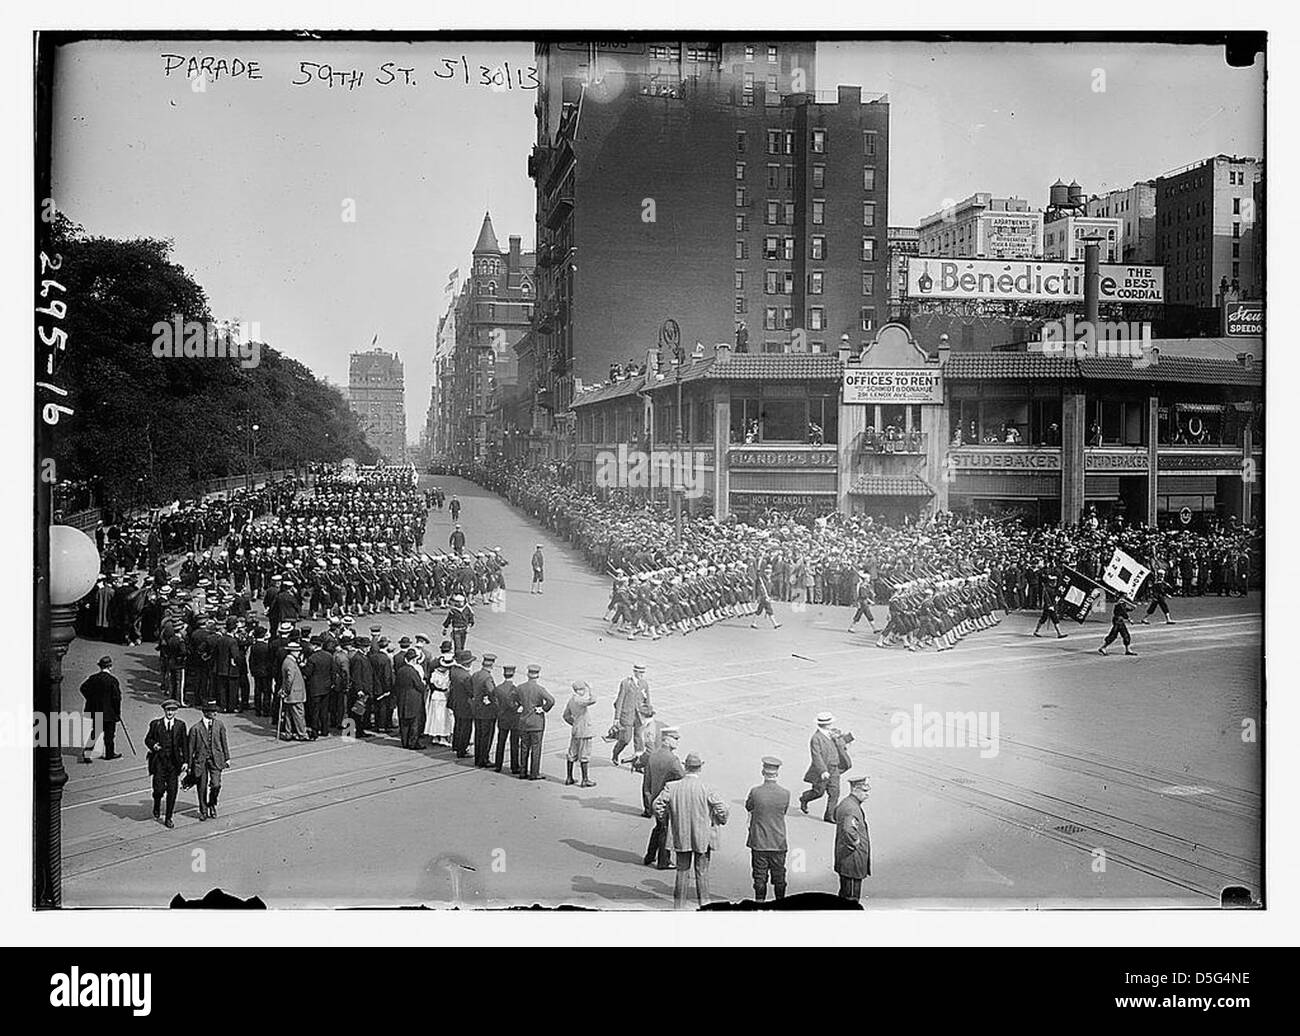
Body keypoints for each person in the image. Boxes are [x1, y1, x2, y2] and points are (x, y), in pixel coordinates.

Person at [652, 752, 729, 910]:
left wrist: (665, 817)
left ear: (685, 767)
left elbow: (657, 805)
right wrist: (720, 820)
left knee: (682, 871)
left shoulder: (672, 787)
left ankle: (679, 907)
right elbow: (722, 808)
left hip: (681, 835)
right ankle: (704, 905)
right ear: (700, 767)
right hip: (702, 837)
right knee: (702, 873)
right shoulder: (707, 788)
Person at [745, 756, 790, 902]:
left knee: (759, 876)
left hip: (759, 842)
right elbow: (783, 811)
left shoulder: (755, 791)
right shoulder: (785, 793)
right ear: (777, 773)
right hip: (778, 842)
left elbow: (749, 806)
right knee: (779, 877)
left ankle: (760, 904)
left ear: (763, 772)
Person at [641, 726, 685, 868]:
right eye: (675, 739)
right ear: (666, 740)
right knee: (665, 830)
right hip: (667, 799)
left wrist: (648, 799)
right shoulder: (672, 760)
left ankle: (650, 855)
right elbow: (683, 778)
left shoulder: (653, 755)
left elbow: (646, 780)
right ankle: (663, 860)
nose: (677, 742)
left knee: (659, 827)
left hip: (654, 797)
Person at [798, 712, 853, 823]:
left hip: (835, 768)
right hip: (823, 771)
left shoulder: (833, 734)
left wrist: (847, 739)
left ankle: (829, 815)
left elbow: (841, 743)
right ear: (823, 724)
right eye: (829, 723)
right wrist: (823, 771)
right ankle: (804, 798)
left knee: (835, 793)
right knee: (819, 792)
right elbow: (816, 756)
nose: (830, 725)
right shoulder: (816, 738)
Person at [144, 699, 189, 828]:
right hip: (159, 762)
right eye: (168, 710)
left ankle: (169, 817)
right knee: (158, 789)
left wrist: (185, 761)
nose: (170, 712)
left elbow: (184, 744)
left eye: (173, 710)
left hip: (174, 764)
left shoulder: (180, 725)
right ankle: (157, 802)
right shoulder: (156, 724)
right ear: (164, 711)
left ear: (176, 711)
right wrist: (153, 745)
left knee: (172, 791)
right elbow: (147, 739)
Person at [833, 770, 872, 903]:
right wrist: (856, 843)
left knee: (845, 893)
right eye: (865, 791)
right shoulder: (851, 808)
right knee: (851, 897)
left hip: (848, 859)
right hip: (852, 860)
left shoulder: (847, 803)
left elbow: (834, 815)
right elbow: (849, 829)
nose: (867, 795)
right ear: (855, 790)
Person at [188, 701, 231, 820]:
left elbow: (224, 742)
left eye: (215, 711)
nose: (215, 713)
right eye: (212, 711)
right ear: (205, 712)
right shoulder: (195, 729)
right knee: (201, 786)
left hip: (216, 759)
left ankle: (212, 803)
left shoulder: (220, 725)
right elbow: (190, 749)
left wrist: (227, 758)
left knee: (216, 784)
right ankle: (203, 810)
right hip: (201, 761)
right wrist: (189, 765)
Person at [79, 655, 123, 763]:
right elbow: (116, 698)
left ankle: (87, 753)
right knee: (109, 734)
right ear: (110, 667)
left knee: (95, 733)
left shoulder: (93, 678)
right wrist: (117, 712)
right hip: (109, 712)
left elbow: (83, 688)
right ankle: (109, 753)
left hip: (97, 711)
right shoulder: (113, 680)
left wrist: (91, 699)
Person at [515, 663, 554, 780]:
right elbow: (551, 700)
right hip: (536, 723)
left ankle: (522, 771)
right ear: (537, 675)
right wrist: (543, 708)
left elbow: (513, 699)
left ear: (528, 674)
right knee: (536, 749)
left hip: (523, 721)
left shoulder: (520, 688)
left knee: (524, 747)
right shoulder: (540, 689)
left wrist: (520, 705)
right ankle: (534, 773)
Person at [610, 662, 651, 765]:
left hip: (639, 716)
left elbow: (647, 700)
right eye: (640, 672)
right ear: (635, 672)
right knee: (625, 739)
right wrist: (617, 718)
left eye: (643, 672)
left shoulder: (644, 683)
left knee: (639, 740)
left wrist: (648, 714)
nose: (642, 674)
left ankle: (638, 763)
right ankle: (615, 753)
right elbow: (620, 700)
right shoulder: (626, 683)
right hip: (627, 715)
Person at [562, 680, 598, 787]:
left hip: (575, 730)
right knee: (584, 755)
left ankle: (569, 778)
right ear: (578, 690)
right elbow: (593, 700)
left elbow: (566, 716)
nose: (583, 691)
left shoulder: (571, 700)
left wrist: (574, 723)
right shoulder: (579, 700)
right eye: (582, 689)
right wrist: (591, 689)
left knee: (572, 753)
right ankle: (585, 779)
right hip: (585, 731)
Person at [394, 648, 427, 750]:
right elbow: (420, 686)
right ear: (413, 660)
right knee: (414, 722)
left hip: (402, 697)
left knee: (404, 721)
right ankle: (413, 743)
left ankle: (405, 741)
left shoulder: (400, 670)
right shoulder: (413, 671)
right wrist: (424, 685)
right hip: (413, 698)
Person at [470, 653, 499, 767]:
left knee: (478, 734)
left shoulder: (476, 674)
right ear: (491, 665)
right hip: (487, 711)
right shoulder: (487, 677)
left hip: (477, 709)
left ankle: (478, 758)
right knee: (486, 736)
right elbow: (492, 692)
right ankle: (484, 759)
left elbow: (470, 688)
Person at [492, 663, 521, 774]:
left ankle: (498, 765)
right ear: (513, 675)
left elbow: (495, 702)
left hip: (502, 719)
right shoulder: (515, 689)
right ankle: (514, 767)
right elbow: (516, 704)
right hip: (514, 720)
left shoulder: (498, 688)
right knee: (514, 744)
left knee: (501, 742)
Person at [447, 649, 476, 757]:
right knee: (466, 728)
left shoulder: (454, 671)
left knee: (458, 724)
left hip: (456, 702)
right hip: (465, 705)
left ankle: (456, 745)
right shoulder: (466, 676)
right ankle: (462, 750)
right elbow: (471, 692)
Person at [279, 642, 310, 741]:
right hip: (294, 693)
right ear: (292, 651)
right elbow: (290, 679)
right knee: (298, 714)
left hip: (292, 693)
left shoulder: (289, 661)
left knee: (289, 714)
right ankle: (302, 733)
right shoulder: (290, 663)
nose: (299, 653)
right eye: (297, 651)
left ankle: (288, 732)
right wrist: (286, 690)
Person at [750, 565, 781, 630]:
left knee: (759, 611)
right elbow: (762, 590)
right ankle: (775, 624)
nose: (769, 575)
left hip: (766, 597)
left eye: (769, 574)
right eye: (768, 574)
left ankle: (753, 623)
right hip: (764, 597)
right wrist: (766, 597)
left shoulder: (769, 580)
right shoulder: (763, 581)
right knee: (769, 610)